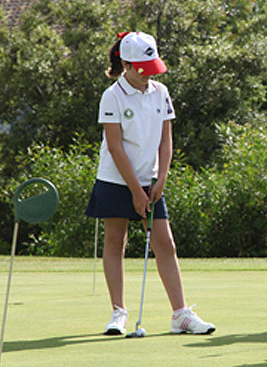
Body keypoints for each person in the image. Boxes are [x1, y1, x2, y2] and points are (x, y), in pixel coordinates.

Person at [85, 31, 215, 336]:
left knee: (165, 243)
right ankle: (118, 313)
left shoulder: (161, 92)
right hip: (117, 180)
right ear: (126, 65)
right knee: (115, 242)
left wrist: (161, 178)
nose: (148, 78)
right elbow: (115, 147)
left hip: (151, 181)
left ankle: (180, 315)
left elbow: (166, 138)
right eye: (143, 71)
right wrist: (135, 191)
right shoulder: (112, 96)